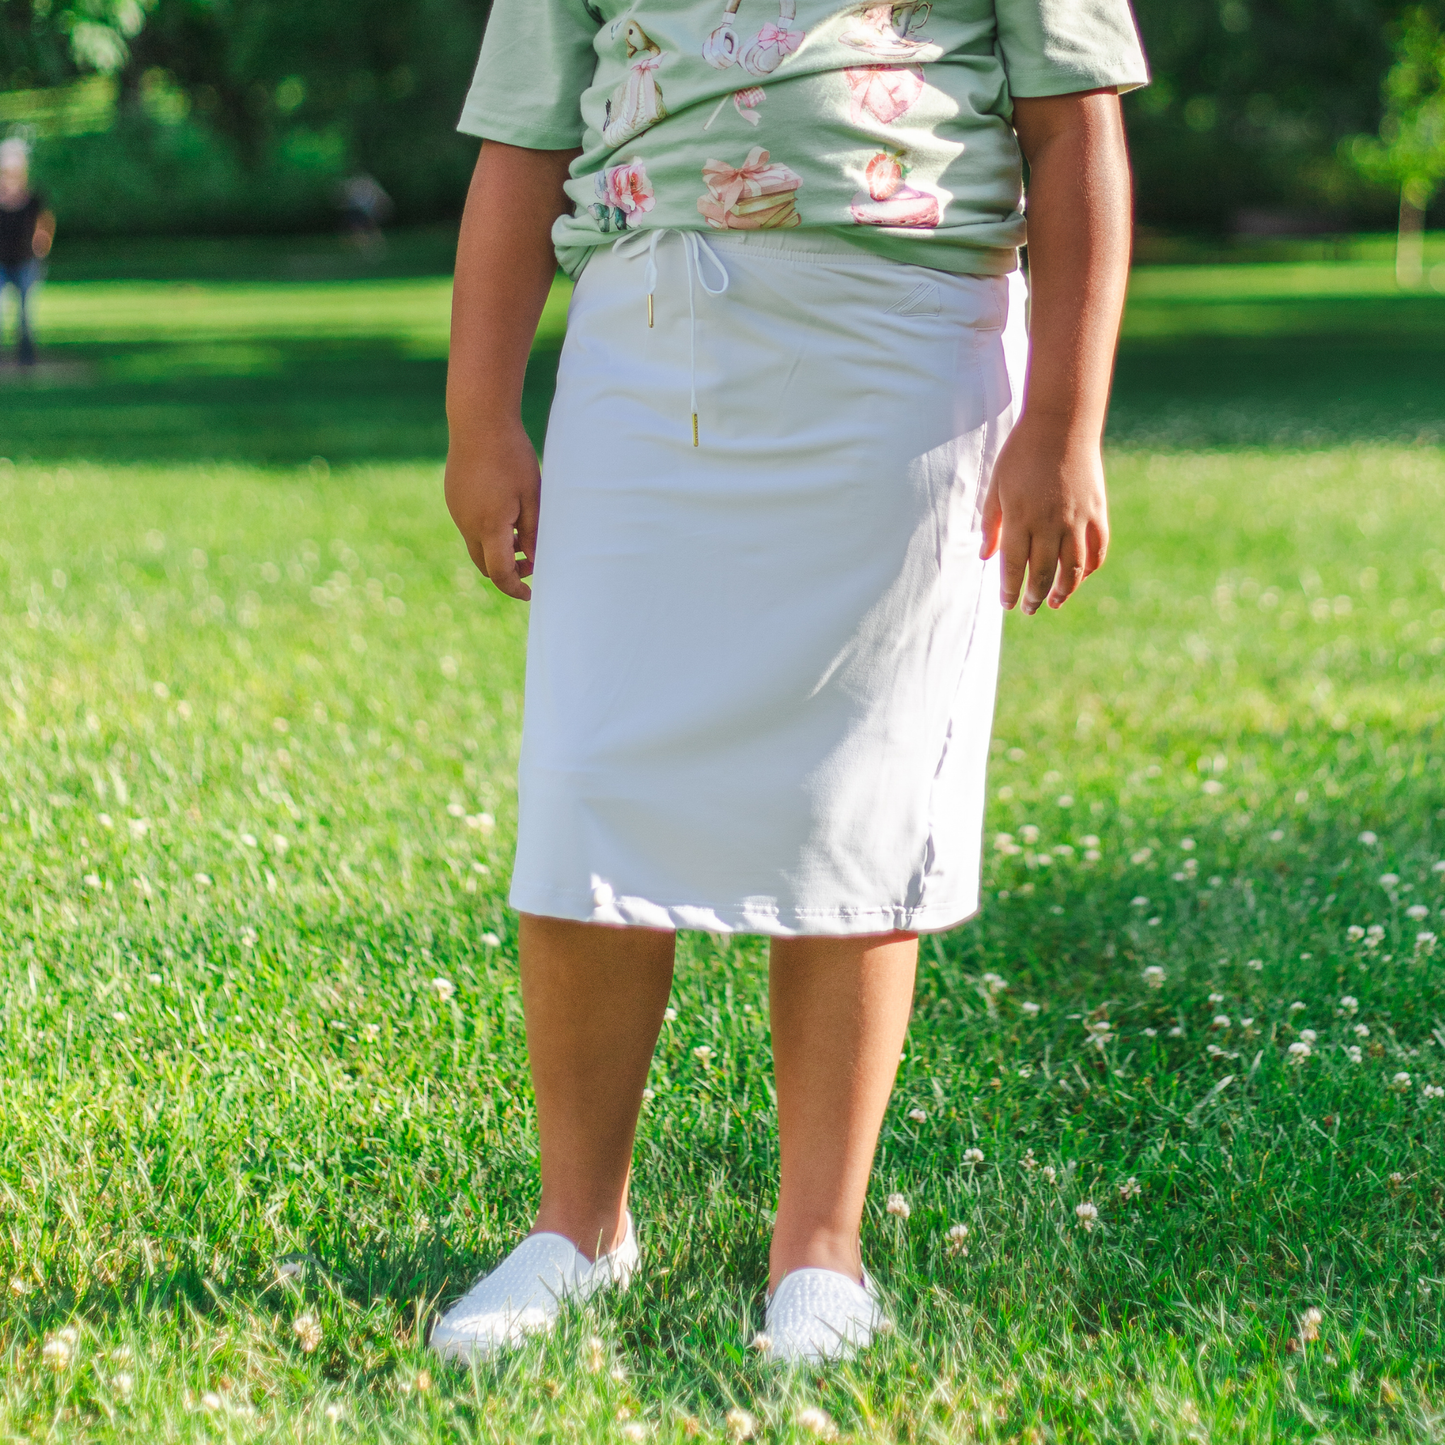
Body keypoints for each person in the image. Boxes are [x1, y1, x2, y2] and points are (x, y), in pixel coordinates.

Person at [436, 0, 1146, 1366]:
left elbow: (1074, 126)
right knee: (594, 775)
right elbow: (520, 142)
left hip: (906, 345)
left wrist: (1064, 416)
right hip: (649, 343)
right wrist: (480, 417)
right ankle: (576, 1226)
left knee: (856, 793)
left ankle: (818, 1245)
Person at [0, 138, 55, 368]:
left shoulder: (33, 198)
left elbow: (45, 222)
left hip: (25, 262)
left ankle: (26, 359)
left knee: (25, 314)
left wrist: (43, 241)